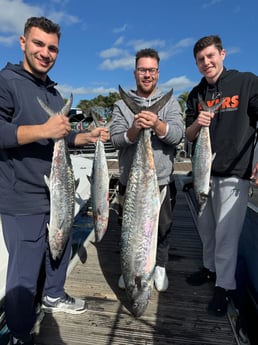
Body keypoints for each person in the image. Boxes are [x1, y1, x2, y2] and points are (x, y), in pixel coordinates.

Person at [0, 17, 109, 345]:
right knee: (23, 274)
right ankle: (20, 334)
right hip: (22, 197)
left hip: (55, 193)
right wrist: (45, 130)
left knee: (57, 252)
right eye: (38, 44)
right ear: (22, 42)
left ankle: (54, 294)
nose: (45, 53)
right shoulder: (6, 81)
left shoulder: (53, 92)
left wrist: (86, 135)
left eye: (52, 48)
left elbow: (58, 138)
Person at [185, 35, 258, 317]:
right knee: (206, 229)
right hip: (204, 174)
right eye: (201, 60)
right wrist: (198, 123)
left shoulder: (247, 82)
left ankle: (224, 286)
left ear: (223, 54)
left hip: (234, 175)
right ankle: (209, 268)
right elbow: (189, 135)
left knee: (226, 235)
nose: (207, 63)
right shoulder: (195, 94)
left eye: (211, 56)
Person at [110, 48, 184, 292]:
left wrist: (157, 124)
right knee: (129, 228)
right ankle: (129, 267)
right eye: (143, 69)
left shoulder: (170, 103)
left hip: (160, 180)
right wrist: (134, 129)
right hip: (130, 181)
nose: (147, 74)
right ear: (135, 73)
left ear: (158, 73)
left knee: (162, 227)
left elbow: (177, 136)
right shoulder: (121, 105)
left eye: (151, 70)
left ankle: (159, 266)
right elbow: (116, 140)